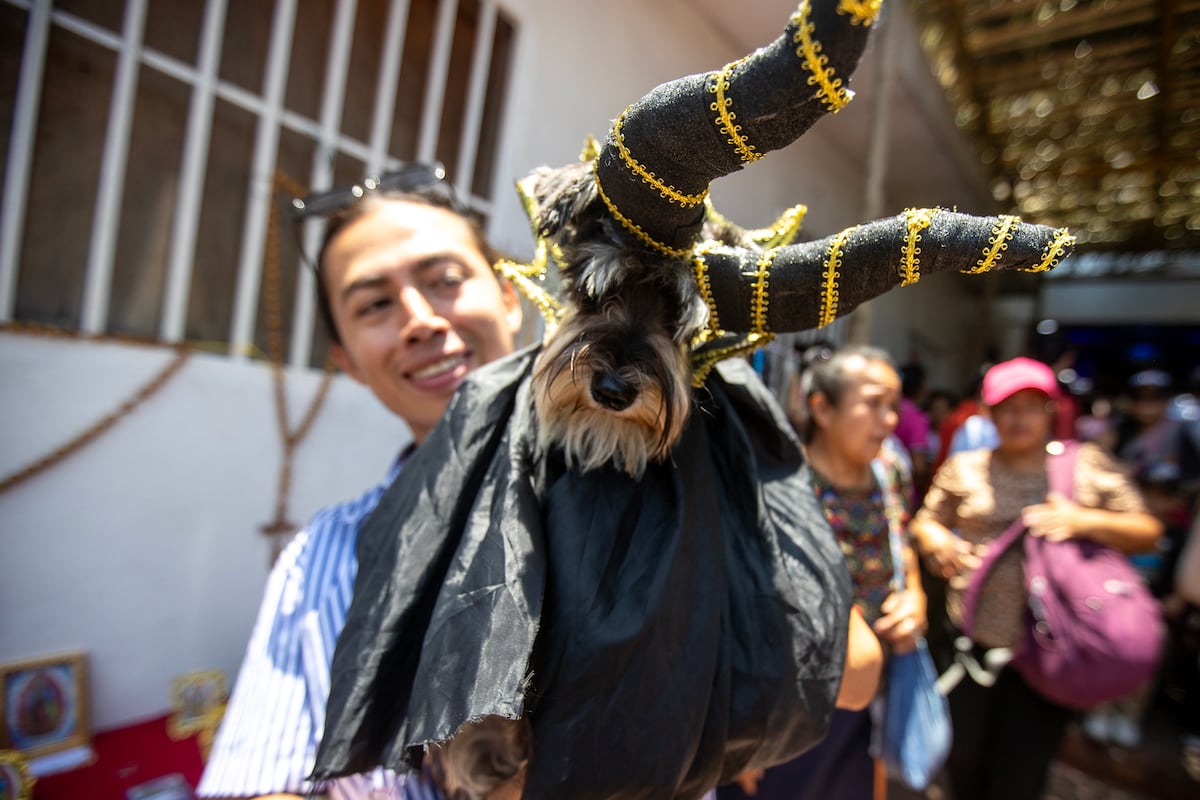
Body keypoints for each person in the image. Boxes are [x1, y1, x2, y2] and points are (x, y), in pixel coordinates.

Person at [197, 165, 525, 800]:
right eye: (374, 304)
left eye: (446, 280)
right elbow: (266, 784)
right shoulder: (319, 559)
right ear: (345, 359)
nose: (420, 320)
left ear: (510, 295)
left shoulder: (647, 497)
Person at [910, 356, 1162, 800]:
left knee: (1021, 774)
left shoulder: (1083, 465)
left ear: (1050, 411)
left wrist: (1081, 519)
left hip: (1051, 653)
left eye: (1030, 406)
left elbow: (1146, 531)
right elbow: (925, 520)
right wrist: (936, 541)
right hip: (972, 645)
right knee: (963, 761)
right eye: (1007, 407)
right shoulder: (965, 467)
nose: (1018, 418)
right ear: (988, 413)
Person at [719, 347, 926, 800]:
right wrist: (741, 737)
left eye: (895, 405)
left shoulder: (890, 471)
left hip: (872, 695)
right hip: (790, 706)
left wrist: (915, 596)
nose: (889, 420)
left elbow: (901, 540)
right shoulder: (779, 486)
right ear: (822, 408)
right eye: (873, 403)